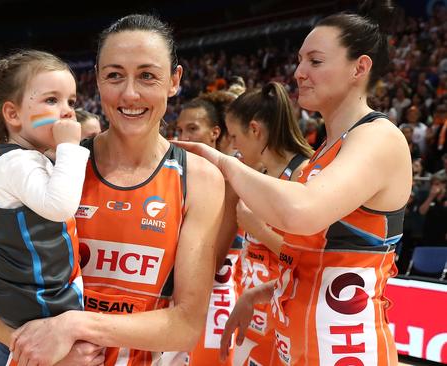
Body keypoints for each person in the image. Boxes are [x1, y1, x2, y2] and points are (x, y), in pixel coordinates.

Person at [0, 13, 227, 366]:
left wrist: (73, 327)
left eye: (147, 76)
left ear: (174, 80)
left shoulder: (198, 178)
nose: (130, 93)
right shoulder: (55, 164)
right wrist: (42, 348)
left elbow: (184, 325)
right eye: (115, 75)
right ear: (97, 80)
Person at [176, 1, 411, 365]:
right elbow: (312, 260)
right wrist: (257, 295)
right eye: (300, 60)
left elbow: (301, 212)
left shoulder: (379, 137)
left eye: (315, 61)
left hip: (346, 351)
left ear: (359, 68)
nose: (299, 72)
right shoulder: (326, 151)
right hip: (295, 345)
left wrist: (224, 163)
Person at [0, 49, 88, 343]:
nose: (67, 110)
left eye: (71, 101)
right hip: (39, 303)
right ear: (13, 114)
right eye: (52, 100)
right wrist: (70, 148)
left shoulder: (24, 159)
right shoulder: (16, 162)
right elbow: (60, 206)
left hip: (31, 301)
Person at [224, 81, 312, 366]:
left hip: (290, 319)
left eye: (235, 136)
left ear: (254, 130)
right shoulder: (261, 173)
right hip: (260, 311)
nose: (233, 146)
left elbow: (310, 261)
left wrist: (259, 230)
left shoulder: (303, 175)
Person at [176, 91, 242, 366]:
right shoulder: (179, 175)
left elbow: (212, 261)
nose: (184, 136)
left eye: (193, 128)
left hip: (217, 301)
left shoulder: (231, 178)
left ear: (215, 132)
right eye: (179, 130)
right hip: (184, 304)